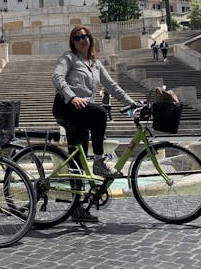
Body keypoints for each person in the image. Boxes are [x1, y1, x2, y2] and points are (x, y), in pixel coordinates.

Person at [53, 26, 138, 223]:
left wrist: (131, 103)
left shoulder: (96, 64)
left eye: (85, 36)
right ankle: (99, 162)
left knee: (78, 161)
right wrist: (72, 96)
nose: (82, 40)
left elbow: (112, 87)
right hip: (66, 106)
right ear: (72, 42)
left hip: (81, 111)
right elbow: (56, 77)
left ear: (90, 39)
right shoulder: (68, 58)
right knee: (100, 114)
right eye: (77, 37)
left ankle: (77, 208)